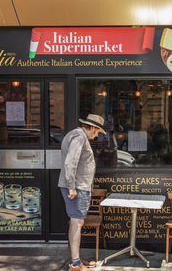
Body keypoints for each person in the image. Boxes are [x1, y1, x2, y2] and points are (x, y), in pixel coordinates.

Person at [58, 114, 106, 271]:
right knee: (77, 223)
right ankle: (75, 264)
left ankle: (76, 258)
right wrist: (71, 186)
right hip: (77, 187)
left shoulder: (75, 134)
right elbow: (71, 162)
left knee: (77, 222)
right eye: (98, 131)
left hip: (78, 186)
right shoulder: (79, 136)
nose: (97, 135)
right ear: (92, 127)